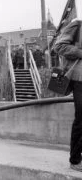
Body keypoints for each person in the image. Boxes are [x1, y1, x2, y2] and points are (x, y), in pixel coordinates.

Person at [54, 19, 82, 172]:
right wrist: (80, 52)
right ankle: (75, 159)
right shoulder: (78, 24)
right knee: (81, 119)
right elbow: (58, 46)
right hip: (79, 79)